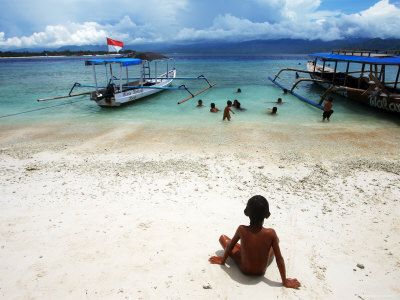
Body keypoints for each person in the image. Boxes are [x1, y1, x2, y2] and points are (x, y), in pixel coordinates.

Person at [209, 195, 301, 289]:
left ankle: (245, 249)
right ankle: (268, 244)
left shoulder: (242, 229)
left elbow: (230, 246)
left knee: (224, 238)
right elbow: (279, 258)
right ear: (267, 215)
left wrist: (222, 261)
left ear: (246, 212)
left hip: (245, 269)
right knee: (275, 241)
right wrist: (284, 281)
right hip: (261, 271)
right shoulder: (271, 233)